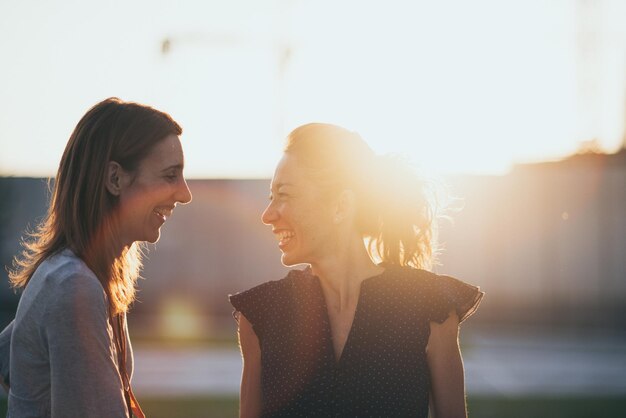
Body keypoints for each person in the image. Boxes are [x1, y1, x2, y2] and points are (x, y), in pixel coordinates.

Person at [230, 123, 483, 418]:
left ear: (341, 205)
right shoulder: (260, 315)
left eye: (283, 195)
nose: (267, 215)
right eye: (270, 197)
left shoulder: (431, 308)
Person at [0, 97, 192, 417]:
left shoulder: (77, 276)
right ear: (114, 179)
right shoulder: (73, 286)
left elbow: (13, 358)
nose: (185, 193)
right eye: (170, 175)